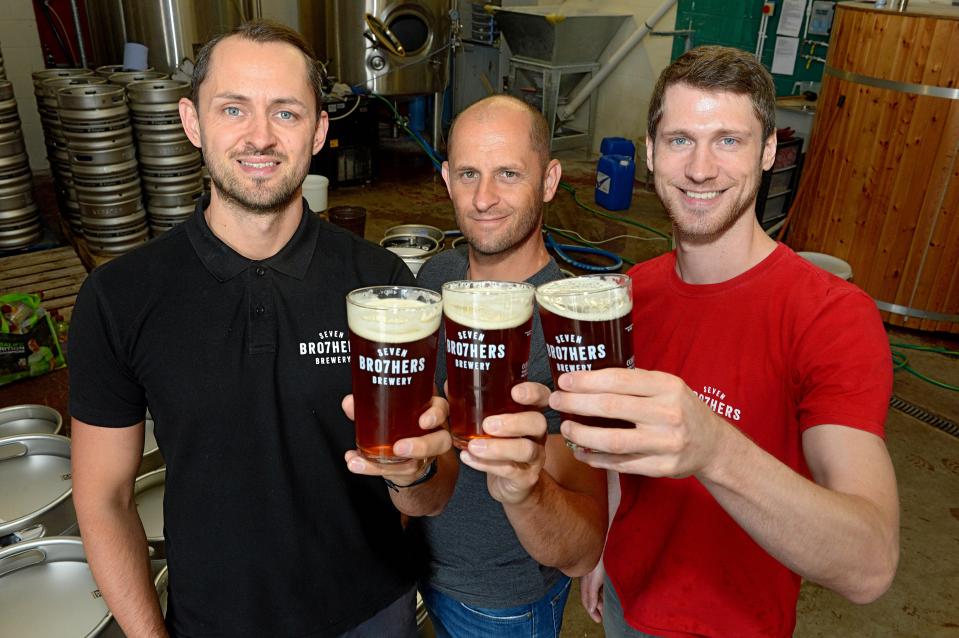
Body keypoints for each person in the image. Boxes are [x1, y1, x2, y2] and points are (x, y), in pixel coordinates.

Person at [68, 21, 454, 638]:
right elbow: (103, 499)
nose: (259, 137)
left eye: (286, 112)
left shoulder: (380, 283)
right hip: (213, 621)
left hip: (372, 611)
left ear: (320, 132)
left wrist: (419, 475)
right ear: (192, 122)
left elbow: (429, 494)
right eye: (232, 108)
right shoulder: (120, 298)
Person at [557, 46, 899, 637]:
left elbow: (869, 564)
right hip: (625, 607)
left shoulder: (832, 317)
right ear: (650, 150)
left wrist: (715, 449)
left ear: (768, 151)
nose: (700, 169)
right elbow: (618, 450)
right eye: (681, 139)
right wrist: (609, 543)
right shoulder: (629, 295)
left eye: (729, 141)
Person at [408, 94, 608, 637]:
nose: (484, 198)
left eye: (509, 173)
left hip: (502, 605)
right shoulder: (436, 275)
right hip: (420, 569)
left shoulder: (572, 324)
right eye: (469, 173)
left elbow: (582, 546)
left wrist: (526, 484)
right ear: (446, 178)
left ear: (549, 180)